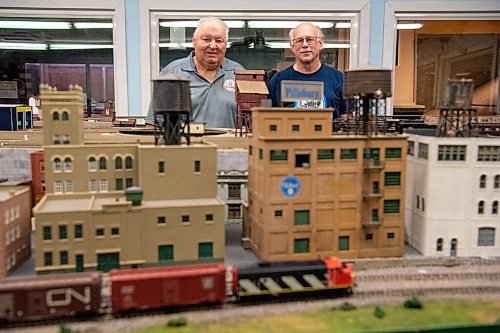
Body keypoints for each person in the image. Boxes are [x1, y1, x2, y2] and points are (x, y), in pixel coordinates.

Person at [146, 16, 245, 128]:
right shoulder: (172, 73)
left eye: (219, 40)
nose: (213, 46)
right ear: (194, 41)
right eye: (206, 39)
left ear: (225, 45)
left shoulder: (240, 74)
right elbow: (153, 125)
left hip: (230, 145)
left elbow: (252, 122)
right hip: (187, 145)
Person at [267, 22, 344, 117]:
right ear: (292, 47)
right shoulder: (278, 81)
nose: (304, 45)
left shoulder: (338, 79)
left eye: (310, 40)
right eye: (299, 41)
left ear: (320, 43)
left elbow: (346, 117)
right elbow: (269, 119)